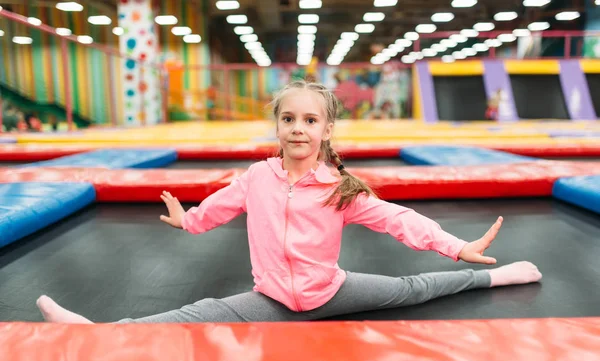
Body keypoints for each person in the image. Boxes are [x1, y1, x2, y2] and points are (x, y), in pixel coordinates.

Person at [36, 80, 542, 324]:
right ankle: (94, 330)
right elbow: (222, 204)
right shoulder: (257, 176)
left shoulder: (341, 188)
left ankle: (497, 274)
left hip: (332, 291)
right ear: (278, 126)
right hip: (270, 299)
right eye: (289, 119)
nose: (298, 128)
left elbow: (397, 219)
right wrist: (188, 221)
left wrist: (457, 246)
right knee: (197, 313)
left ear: (325, 129)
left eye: (310, 120)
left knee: (412, 289)